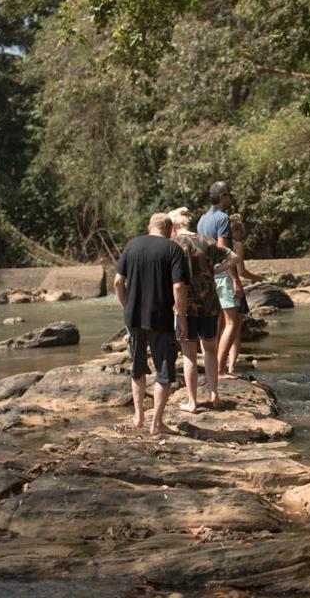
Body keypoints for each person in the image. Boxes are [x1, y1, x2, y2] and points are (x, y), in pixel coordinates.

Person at [113, 213, 190, 434]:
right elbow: (178, 287)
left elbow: (118, 281)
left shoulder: (132, 245)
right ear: (170, 230)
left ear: (149, 227)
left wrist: (126, 305)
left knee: (137, 369)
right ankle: (156, 423)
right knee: (164, 372)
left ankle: (138, 417)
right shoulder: (173, 249)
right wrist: (182, 317)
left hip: (134, 318)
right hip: (162, 319)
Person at [167, 207, 240, 412]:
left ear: (174, 226)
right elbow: (234, 257)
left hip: (185, 307)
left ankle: (192, 402)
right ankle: (214, 393)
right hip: (209, 304)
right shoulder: (207, 241)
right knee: (209, 349)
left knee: (189, 355)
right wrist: (216, 269)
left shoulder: (173, 245)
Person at [196, 181, 245, 380]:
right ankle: (221, 369)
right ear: (223, 196)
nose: (231, 199)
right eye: (229, 195)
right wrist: (235, 280)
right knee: (232, 322)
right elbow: (223, 251)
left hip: (206, 277)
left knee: (215, 324)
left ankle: (214, 366)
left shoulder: (202, 219)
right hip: (222, 275)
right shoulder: (222, 218)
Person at [218, 214, 265, 377]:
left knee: (221, 327)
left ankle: (218, 365)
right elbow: (242, 271)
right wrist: (258, 278)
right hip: (233, 287)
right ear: (236, 230)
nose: (242, 236)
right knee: (234, 328)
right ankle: (230, 367)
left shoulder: (218, 243)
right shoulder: (236, 245)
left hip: (217, 285)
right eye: (241, 232)